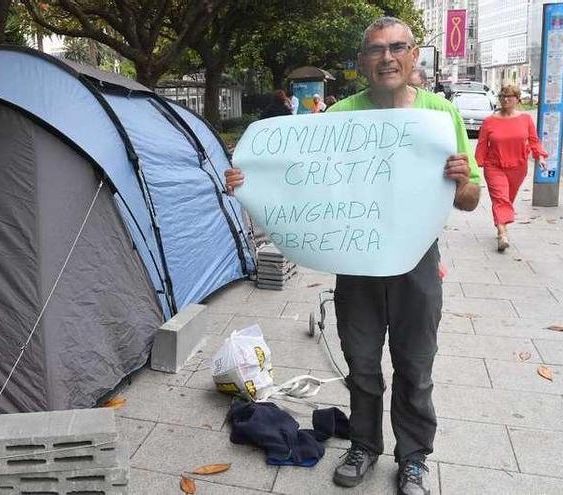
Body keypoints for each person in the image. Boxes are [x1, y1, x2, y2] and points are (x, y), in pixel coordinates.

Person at [225, 17, 480, 495]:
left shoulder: (439, 116)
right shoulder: (342, 114)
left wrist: (461, 180)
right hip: (356, 262)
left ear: (413, 54)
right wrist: (249, 181)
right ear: (363, 61)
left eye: (397, 47)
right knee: (361, 364)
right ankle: (364, 445)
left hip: (416, 263)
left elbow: (470, 201)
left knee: (415, 368)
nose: (387, 57)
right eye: (376, 49)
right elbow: (303, 177)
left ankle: (413, 459)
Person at [475, 84, 548, 252]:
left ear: (517, 100)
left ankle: (502, 225)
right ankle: (502, 235)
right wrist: (476, 166)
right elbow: (481, 145)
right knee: (500, 198)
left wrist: (541, 157)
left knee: (508, 199)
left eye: (510, 97)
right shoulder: (489, 121)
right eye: (503, 96)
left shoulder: (525, 119)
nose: (506, 99)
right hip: (494, 166)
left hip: (518, 167)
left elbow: (534, 140)